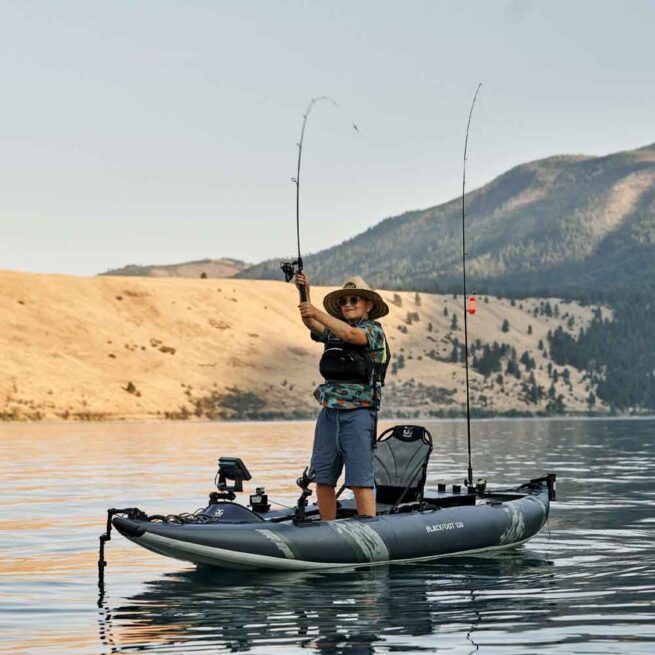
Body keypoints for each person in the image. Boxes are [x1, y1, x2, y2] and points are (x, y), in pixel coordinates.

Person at [295, 271, 390, 520]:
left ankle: (369, 529)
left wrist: (315, 310)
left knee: (359, 480)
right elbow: (312, 324)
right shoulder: (334, 331)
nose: (347, 305)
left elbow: (351, 336)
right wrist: (304, 292)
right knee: (323, 478)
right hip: (329, 412)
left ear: (368, 305)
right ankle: (329, 529)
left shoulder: (373, 331)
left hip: (359, 413)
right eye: (343, 302)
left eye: (353, 300)